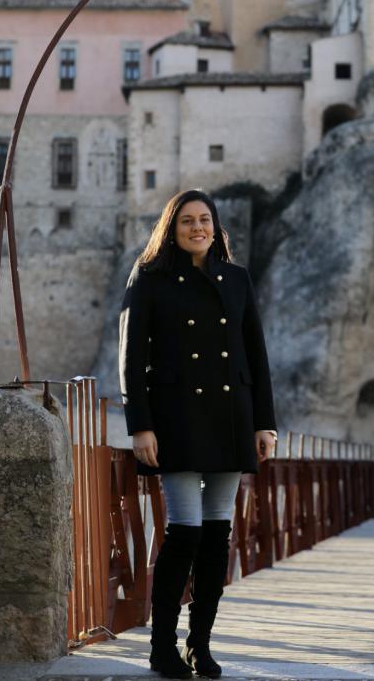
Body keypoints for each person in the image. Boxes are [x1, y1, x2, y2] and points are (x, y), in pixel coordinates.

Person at [119, 188, 277, 679]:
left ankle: (200, 645)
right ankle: (162, 647)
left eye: (205, 220)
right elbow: (131, 358)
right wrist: (140, 425)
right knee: (184, 533)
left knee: (217, 537)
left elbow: (256, 354)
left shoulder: (237, 279)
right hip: (177, 421)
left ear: (216, 226)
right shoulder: (150, 276)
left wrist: (264, 423)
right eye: (187, 221)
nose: (197, 228)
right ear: (172, 227)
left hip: (231, 417)